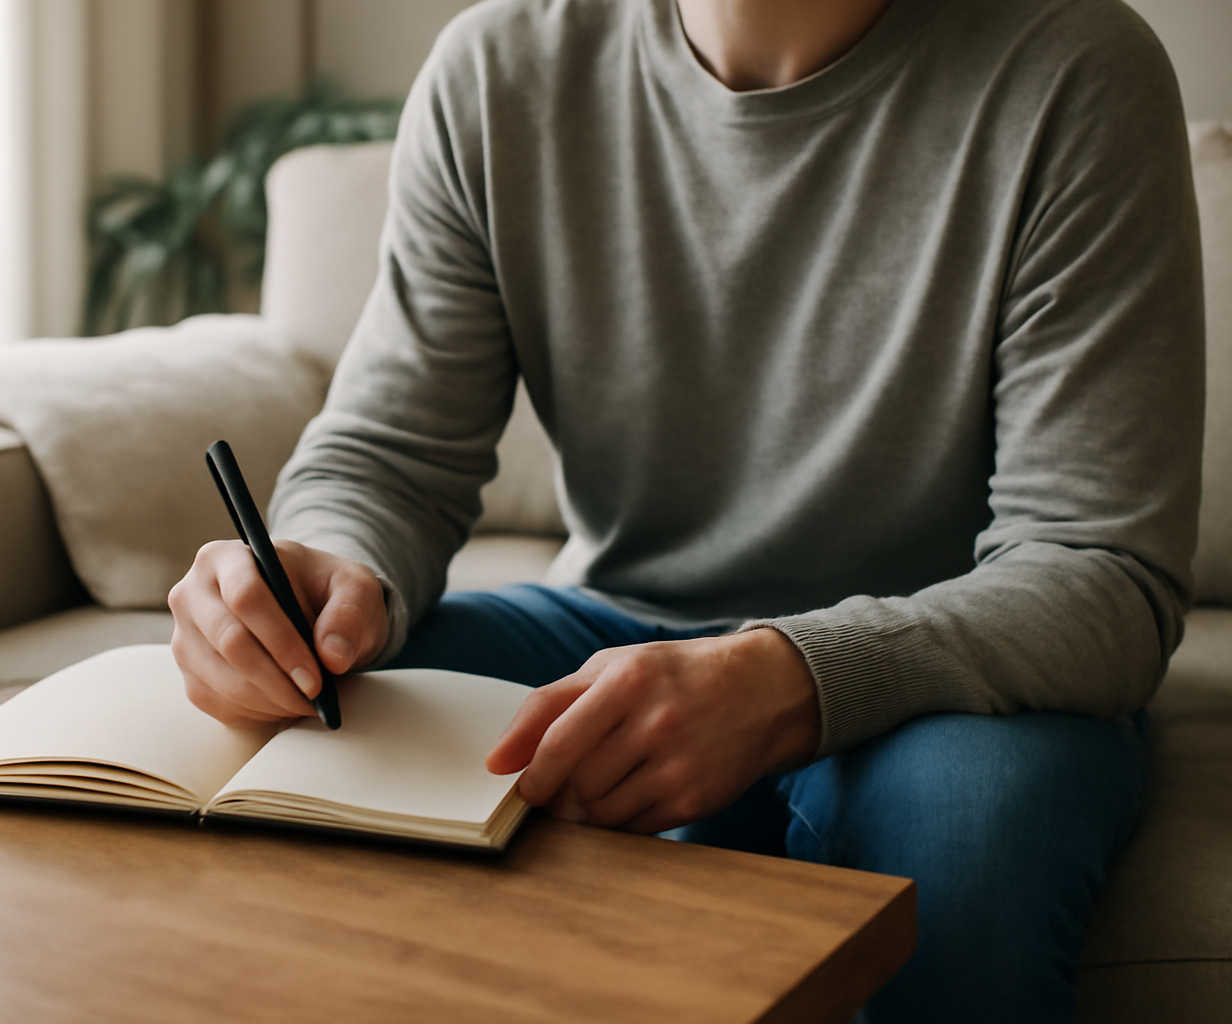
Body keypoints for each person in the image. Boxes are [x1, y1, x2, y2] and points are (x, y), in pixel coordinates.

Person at [168, 0, 1204, 1018]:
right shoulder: (499, 69)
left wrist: (788, 675)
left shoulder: (1073, 68)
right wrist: (320, 572)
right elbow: (388, 457)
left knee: (968, 844)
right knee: (308, 757)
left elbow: (1097, 566)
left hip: (945, 673)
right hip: (613, 623)